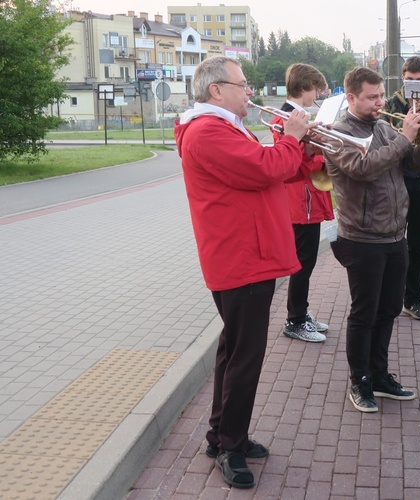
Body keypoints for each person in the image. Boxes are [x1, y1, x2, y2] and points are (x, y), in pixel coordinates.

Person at [175, 56, 316, 488]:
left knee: (234, 350)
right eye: (243, 84)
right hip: (241, 259)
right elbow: (263, 168)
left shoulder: (224, 126)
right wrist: (291, 138)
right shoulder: (207, 131)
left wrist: (305, 152)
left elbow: (271, 171)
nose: (250, 92)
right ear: (216, 90)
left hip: (247, 255)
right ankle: (231, 447)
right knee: (245, 358)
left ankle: (220, 436)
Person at [324, 67, 420, 412]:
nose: (379, 103)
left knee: (388, 309)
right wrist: (404, 138)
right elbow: (364, 168)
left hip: (394, 235)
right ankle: (359, 381)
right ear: (351, 98)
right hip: (360, 238)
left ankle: (380, 374)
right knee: (364, 313)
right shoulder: (336, 134)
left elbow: (413, 165)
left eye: (380, 96)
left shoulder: (384, 126)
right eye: (371, 97)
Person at [271, 63, 334, 343]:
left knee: (305, 263)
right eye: (315, 89)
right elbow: (287, 162)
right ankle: (294, 320)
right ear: (304, 87)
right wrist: (314, 152)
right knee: (301, 264)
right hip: (300, 202)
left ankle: (301, 313)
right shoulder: (283, 118)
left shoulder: (299, 115)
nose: (317, 95)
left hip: (308, 200)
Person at [383, 56, 420, 321]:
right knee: (394, 241)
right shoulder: (391, 104)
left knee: (419, 246)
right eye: (410, 79)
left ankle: (412, 299)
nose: (415, 83)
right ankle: (391, 296)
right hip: (399, 178)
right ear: (403, 78)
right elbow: (384, 140)